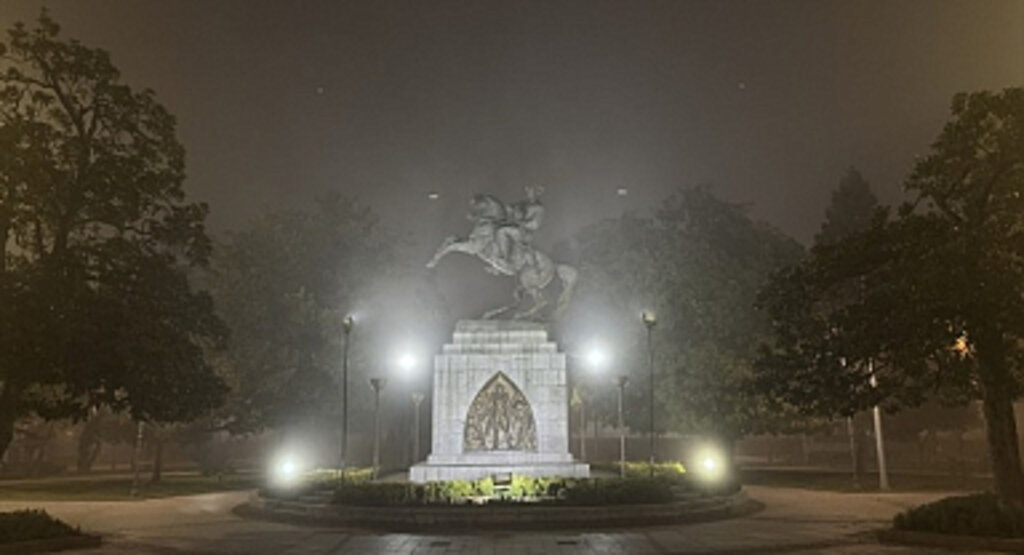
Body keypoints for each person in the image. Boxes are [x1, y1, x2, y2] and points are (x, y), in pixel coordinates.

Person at [495, 186, 545, 269]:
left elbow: (535, 224)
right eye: (529, 192)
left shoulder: (539, 208)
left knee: (502, 231)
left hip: (525, 231)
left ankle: (505, 258)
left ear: (537, 194)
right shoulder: (523, 203)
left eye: (532, 192)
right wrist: (509, 209)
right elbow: (512, 208)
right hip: (516, 227)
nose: (530, 194)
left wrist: (522, 223)